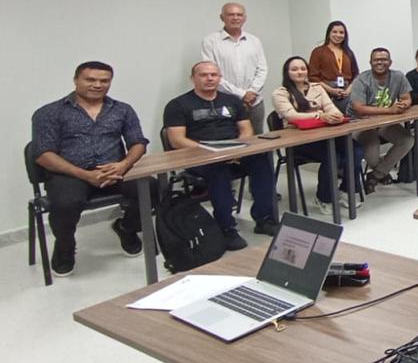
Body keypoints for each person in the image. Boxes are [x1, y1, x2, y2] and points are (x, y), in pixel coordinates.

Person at [31, 61, 151, 276]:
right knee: (66, 203)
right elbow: (43, 155)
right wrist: (85, 175)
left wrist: (123, 165)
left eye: (104, 81)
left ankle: (126, 228)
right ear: (76, 80)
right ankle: (65, 246)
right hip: (70, 174)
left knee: (152, 188)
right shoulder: (49, 112)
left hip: (115, 170)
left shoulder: (122, 109)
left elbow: (138, 143)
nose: (97, 85)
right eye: (91, 79)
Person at [164, 61, 277, 248]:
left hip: (234, 152)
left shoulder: (232, 101)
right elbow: (177, 140)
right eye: (203, 75)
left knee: (262, 159)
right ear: (193, 78)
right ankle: (226, 227)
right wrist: (213, 152)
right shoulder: (178, 105)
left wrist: (238, 149)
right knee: (218, 169)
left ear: (219, 78)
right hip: (200, 157)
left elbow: (246, 130)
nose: (209, 78)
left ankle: (264, 219)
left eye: (214, 75)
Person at [271, 56, 362, 214]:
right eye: (294, 69)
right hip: (299, 140)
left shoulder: (317, 88)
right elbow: (292, 115)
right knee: (333, 156)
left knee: (356, 150)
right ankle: (324, 197)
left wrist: (335, 115)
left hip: (325, 134)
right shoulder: (280, 93)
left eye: (303, 68)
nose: (299, 72)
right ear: (287, 72)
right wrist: (320, 116)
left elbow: (331, 107)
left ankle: (346, 190)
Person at [348, 47, 415, 187]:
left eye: (384, 59)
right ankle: (382, 173)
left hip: (384, 120)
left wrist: (404, 104)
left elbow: (406, 98)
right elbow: (359, 109)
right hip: (360, 122)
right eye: (376, 60)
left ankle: (376, 174)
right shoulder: (361, 79)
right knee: (372, 154)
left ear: (390, 62)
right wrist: (390, 110)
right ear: (370, 62)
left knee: (407, 140)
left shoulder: (398, 76)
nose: (380, 62)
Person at [201, 2, 268, 133]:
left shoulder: (254, 41)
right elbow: (212, 74)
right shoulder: (210, 41)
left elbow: (262, 69)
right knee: (229, 138)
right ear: (222, 17)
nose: (235, 18)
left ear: (245, 18)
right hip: (225, 101)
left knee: (258, 139)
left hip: (254, 102)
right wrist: (242, 94)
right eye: (231, 14)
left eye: (239, 15)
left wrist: (251, 93)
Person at [308, 20, 359, 114]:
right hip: (326, 91)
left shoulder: (348, 53)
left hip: (346, 90)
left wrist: (348, 91)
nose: (338, 35)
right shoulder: (318, 52)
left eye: (341, 32)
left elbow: (356, 75)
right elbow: (313, 77)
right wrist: (331, 90)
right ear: (329, 33)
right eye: (334, 32)